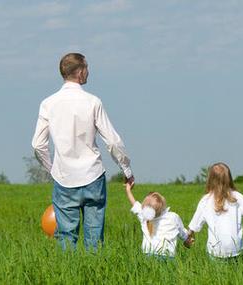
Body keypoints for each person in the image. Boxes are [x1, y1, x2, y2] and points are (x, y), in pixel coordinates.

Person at [32, 53, 134, 250]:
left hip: (64, 178)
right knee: (95, 238)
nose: (89, 72)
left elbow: (38, 144)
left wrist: (52, 168)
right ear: (80, 72)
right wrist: (127, 170)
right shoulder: (93, 101)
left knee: (66, 238)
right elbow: (112, 141)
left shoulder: (48, 103)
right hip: (93, 176)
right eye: (87, 68)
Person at [187, 162, 243, 260]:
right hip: (236, 249)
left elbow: (195, 224)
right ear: (229, 179)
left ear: (210, 180)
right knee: (238, 274)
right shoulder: (236, 197)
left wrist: (189, 236)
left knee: (216, 275)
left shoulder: (205, 201)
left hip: (215, 250)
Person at [124, 184, 193, 258]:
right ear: (163, 205)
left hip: (147, 255)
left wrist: (128, 189)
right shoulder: (173, 217)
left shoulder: (144, 216)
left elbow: (134, 204)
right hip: (168, 256)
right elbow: (184, 235)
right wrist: (189, 238)